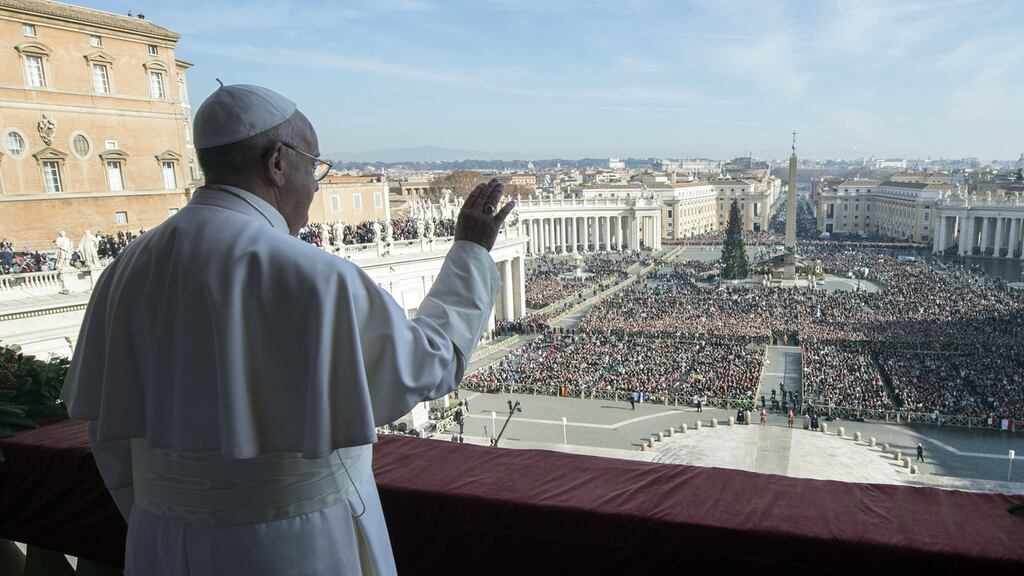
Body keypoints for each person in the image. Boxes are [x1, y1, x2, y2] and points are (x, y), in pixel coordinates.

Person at [61, 83, 514, 576]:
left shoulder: (124, 270)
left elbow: (108, 435)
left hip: (160, 546)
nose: (318, 184)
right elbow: (431, 362)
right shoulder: (314, 276)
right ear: (277, 163)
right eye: (314, 164)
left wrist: (167, 516)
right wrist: (470, 253)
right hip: (299, 546)